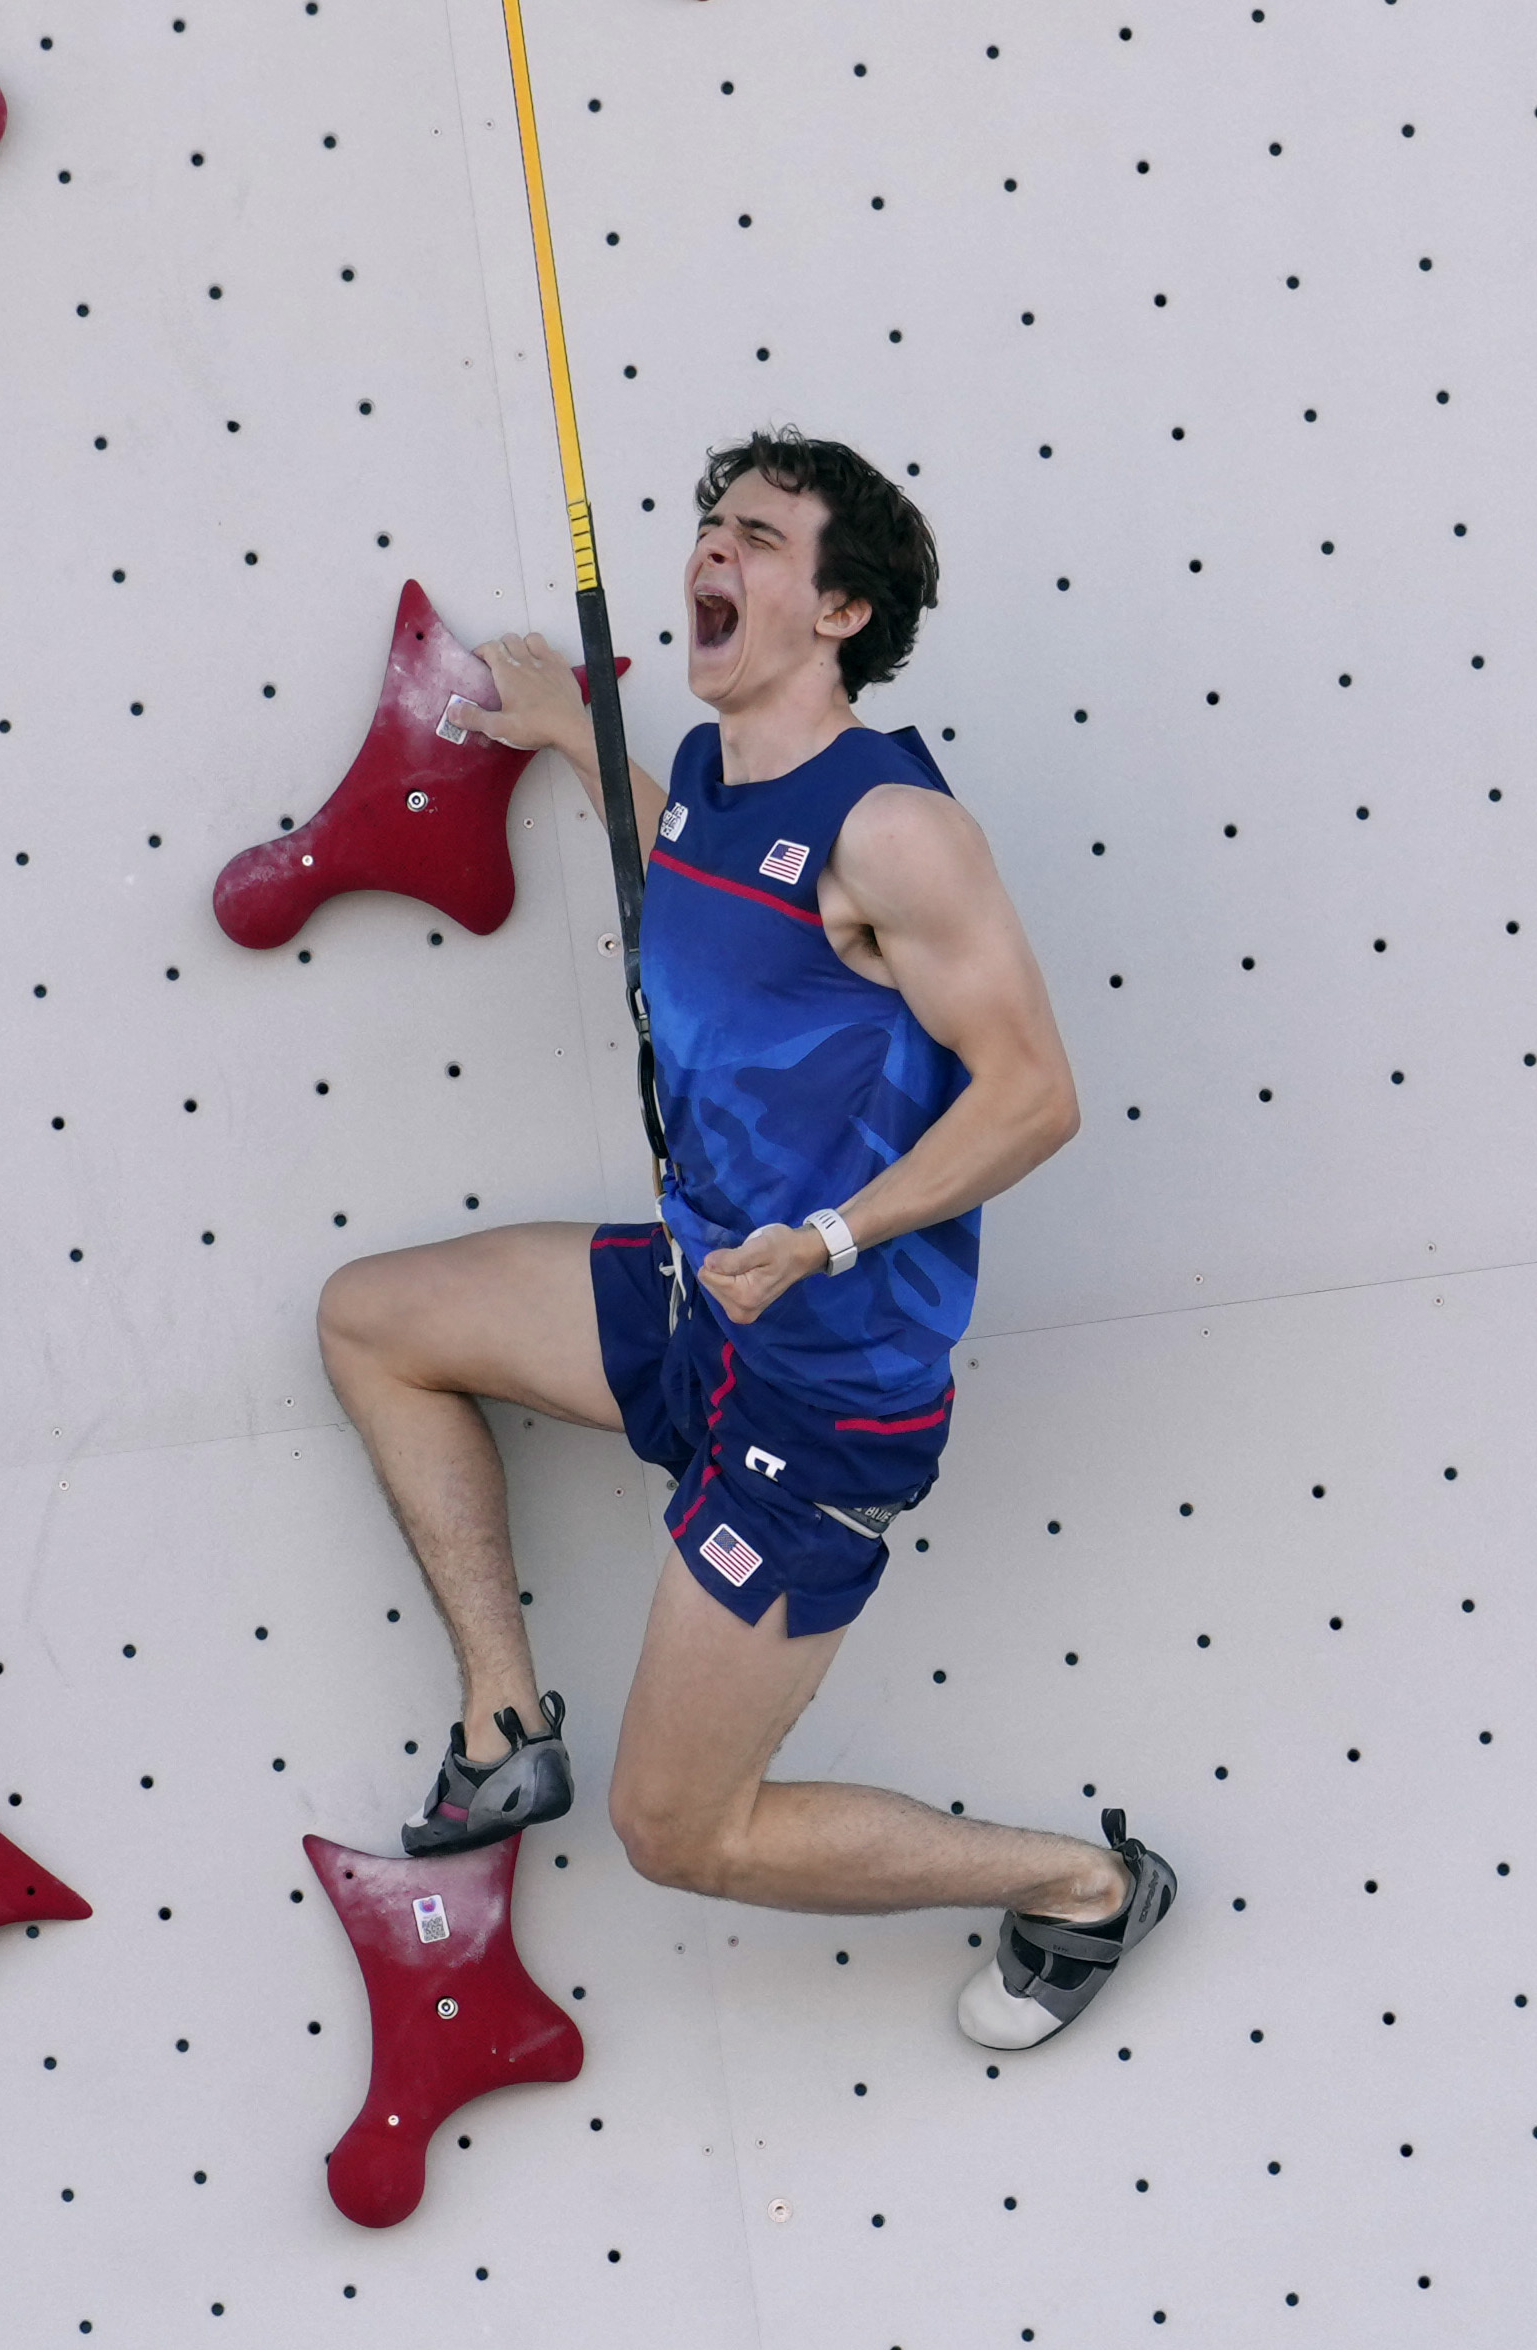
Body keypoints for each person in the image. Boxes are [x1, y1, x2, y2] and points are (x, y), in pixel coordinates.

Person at [311, 430, 1168, 2049]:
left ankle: (1084, 1884)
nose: (712, 552)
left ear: (839, 610)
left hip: (818, 1391)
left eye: (758, 538)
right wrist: (579, 731)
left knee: (678, 1831)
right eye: (708, 527)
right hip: (705, 1301)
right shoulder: (715, 781)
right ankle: (506, 1716)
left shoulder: (895, 829)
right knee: (373, 1321)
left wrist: (830, 1238)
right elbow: (693, 880)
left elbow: (1038, 1096)